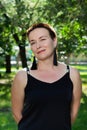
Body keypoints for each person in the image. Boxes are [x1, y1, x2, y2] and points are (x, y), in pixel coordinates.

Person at [11, 23, 82, 130]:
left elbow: (73, 113)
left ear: (54, 41)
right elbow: (17, 113)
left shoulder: (72, 74)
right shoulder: (22, 76)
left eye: (42, 39)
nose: (38, 46)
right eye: (33, 42)